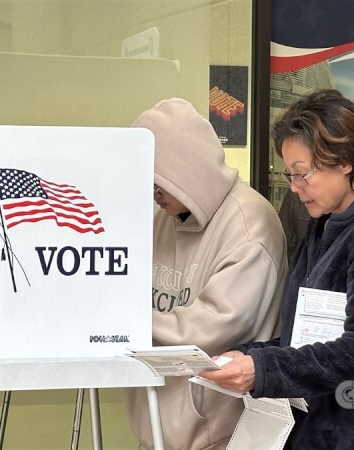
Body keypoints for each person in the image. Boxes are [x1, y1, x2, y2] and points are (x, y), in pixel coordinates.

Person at [199, 89, 354, 449]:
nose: (295, 188)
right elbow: (312, 335)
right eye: (289, 175)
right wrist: (253, 355)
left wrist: (263, 371)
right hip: (319, 428)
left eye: (303, 174)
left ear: (345, 161)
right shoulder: (326, 225)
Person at [125, 98, 288, 450]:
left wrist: (121, 324)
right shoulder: (164, 218)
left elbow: (210, 328)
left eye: (158, 183)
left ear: (184, 171)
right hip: (156, 422)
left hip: (218, 435)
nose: (154, 195)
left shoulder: (249, 226)